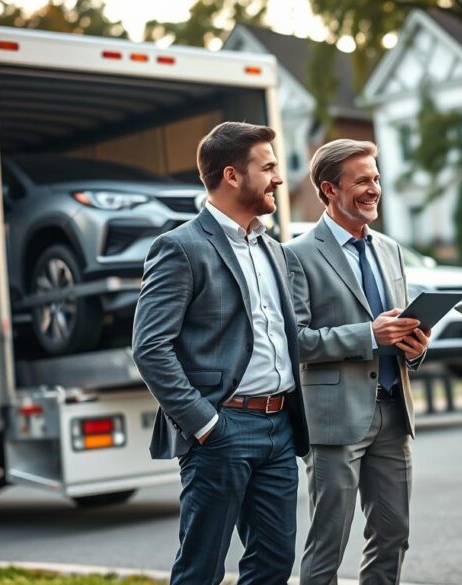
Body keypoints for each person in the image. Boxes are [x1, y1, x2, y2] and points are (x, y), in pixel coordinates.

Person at [132, 121, 309, 585]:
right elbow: (150, 346)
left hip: (279, 428)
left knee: (273, 563)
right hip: (222, 430)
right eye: (267, 167)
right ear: (232, 176)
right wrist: (206, 424)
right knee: (201, 570)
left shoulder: (275, 250)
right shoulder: (180, 247)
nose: (277, 177)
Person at [285, 139, 429, 585]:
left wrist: (416, 347)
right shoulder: (297, 254)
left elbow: (401, 325)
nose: (374, 189)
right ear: (329, 189)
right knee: (328, 543)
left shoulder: (390, 249)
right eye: (362, 180)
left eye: (377, 178)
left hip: (393, 411)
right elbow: (296, 342)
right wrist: (368, 335)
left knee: (393, 535)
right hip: (336, 419)